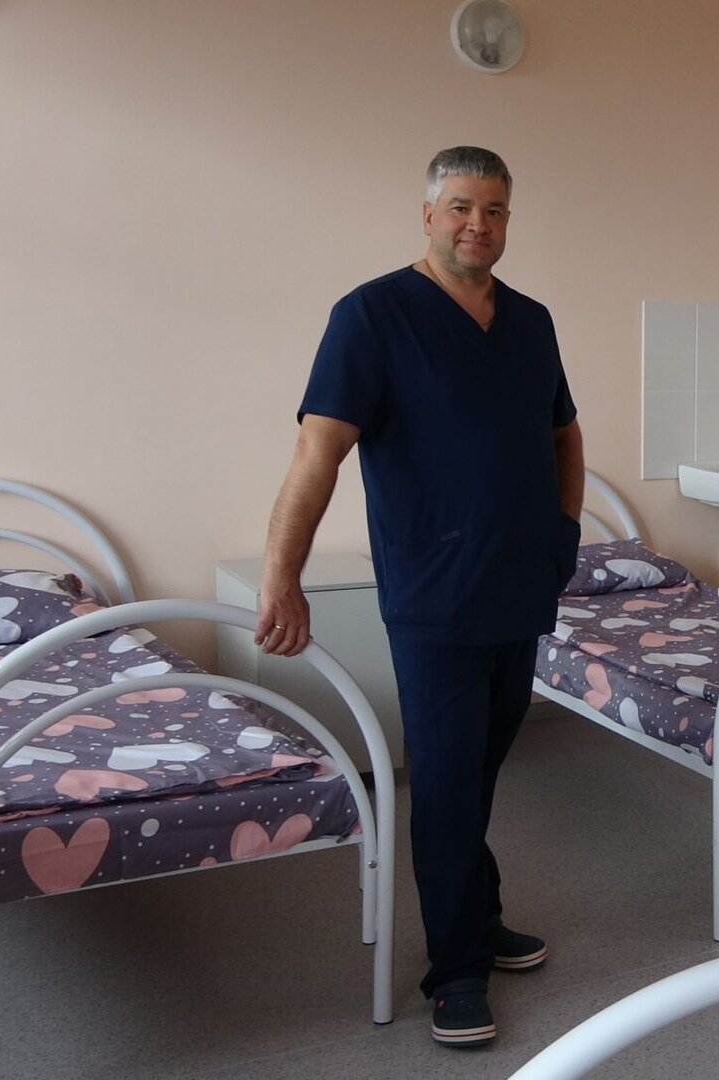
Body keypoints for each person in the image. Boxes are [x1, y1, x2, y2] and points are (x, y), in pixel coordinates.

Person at [256, 146, 585, 1047]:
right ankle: (457, 970)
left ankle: (478, 915)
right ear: (429, 214)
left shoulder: (531, 321)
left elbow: (564, 432)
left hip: (521, 584)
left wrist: (563, 533)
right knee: (443, 780)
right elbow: (317, 453)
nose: (479, 224)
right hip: (434, 594)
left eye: (495, 210)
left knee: (478, 770)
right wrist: (283, 573)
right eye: (462, 207)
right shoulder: (371, 316)